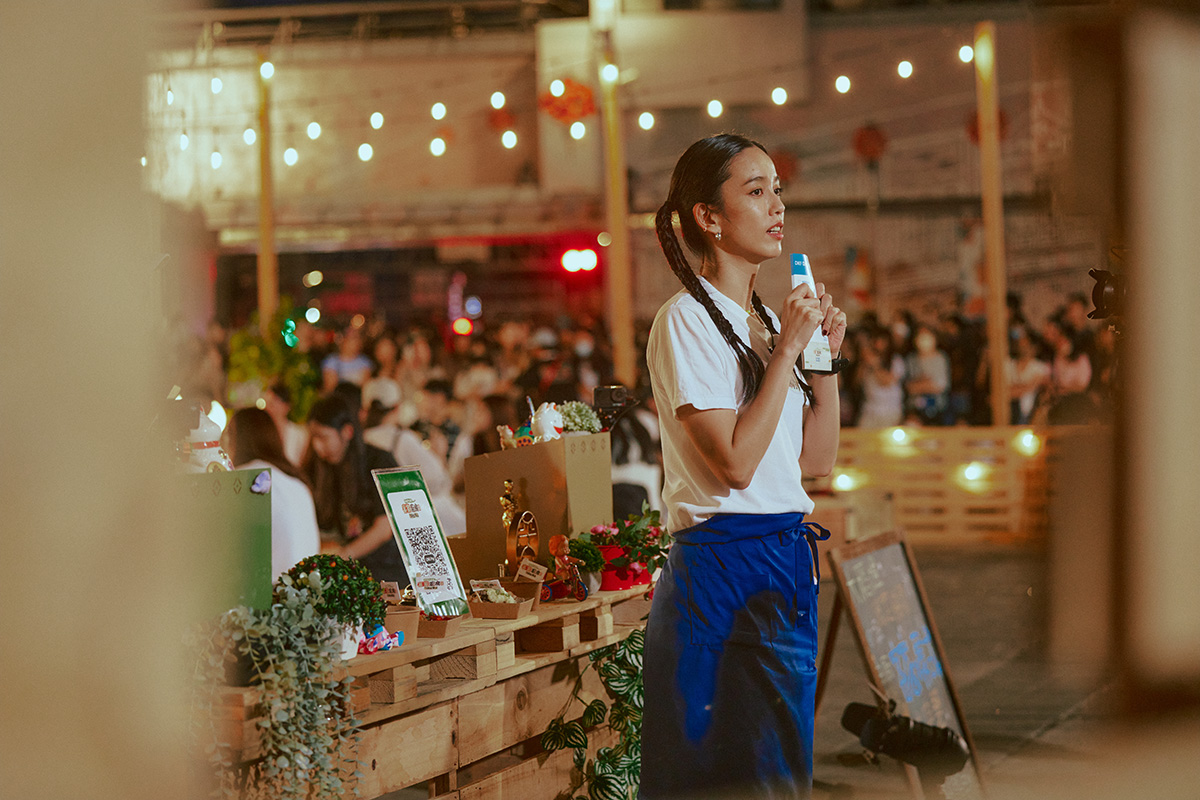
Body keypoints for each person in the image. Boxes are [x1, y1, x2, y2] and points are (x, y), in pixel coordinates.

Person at [641, 134, 847, 800]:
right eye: (756, 192)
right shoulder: (686, 322)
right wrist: (786, 353)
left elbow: (815, 460)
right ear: (709, 216)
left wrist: (820, 359)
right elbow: (733, 464)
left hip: (781, 564)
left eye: (777, 189)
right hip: (722, 573)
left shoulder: (762, 323)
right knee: (730, 776)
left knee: (779, 767)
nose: (776, 206)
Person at [302, 394, 409, 586]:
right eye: (314, 438)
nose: (317, 447)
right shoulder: (319, 467)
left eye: (323, 437)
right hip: (350, 570)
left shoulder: (379, 460)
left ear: (347, 432)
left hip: (389, 571)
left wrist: (342, 556)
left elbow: (384, 528)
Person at [225, 407, 321, 579]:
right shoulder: (295, 481)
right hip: (307, 586)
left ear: (234, 439)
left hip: (274, 589)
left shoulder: (247, 477)